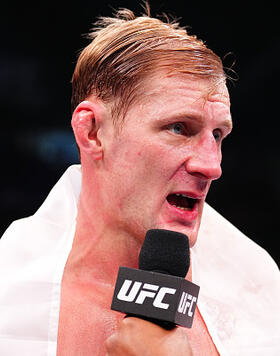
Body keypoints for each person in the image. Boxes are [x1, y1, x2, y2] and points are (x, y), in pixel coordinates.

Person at [0, 4, 279, 356]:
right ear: (93, 132)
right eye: (179, 128)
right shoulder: (7, 297)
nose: (212, 166)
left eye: (218, 135)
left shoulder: (257, 287)